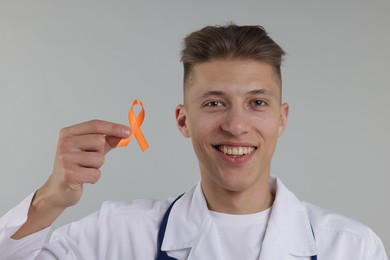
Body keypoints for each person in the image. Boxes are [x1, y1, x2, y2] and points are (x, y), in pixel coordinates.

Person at [0, 24, 387, 260]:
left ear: (281, 119)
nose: (236, 126)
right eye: (215, 103)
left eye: (257, 103)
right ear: (184, 120)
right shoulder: (116, 235)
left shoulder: (352, 248)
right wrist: (50, 199)